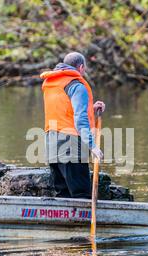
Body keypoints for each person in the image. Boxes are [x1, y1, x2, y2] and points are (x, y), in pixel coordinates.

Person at [40, 52, 106, 199]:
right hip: (71, 148)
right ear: (81, 67)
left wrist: (91, 109)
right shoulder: (76, 85)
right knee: (81, 195)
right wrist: (92, 146)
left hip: (52, 148)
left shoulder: (51, 83)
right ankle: (82, 222)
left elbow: (63, 110)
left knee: (63, 196)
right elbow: (80, 119)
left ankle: (65, 222)